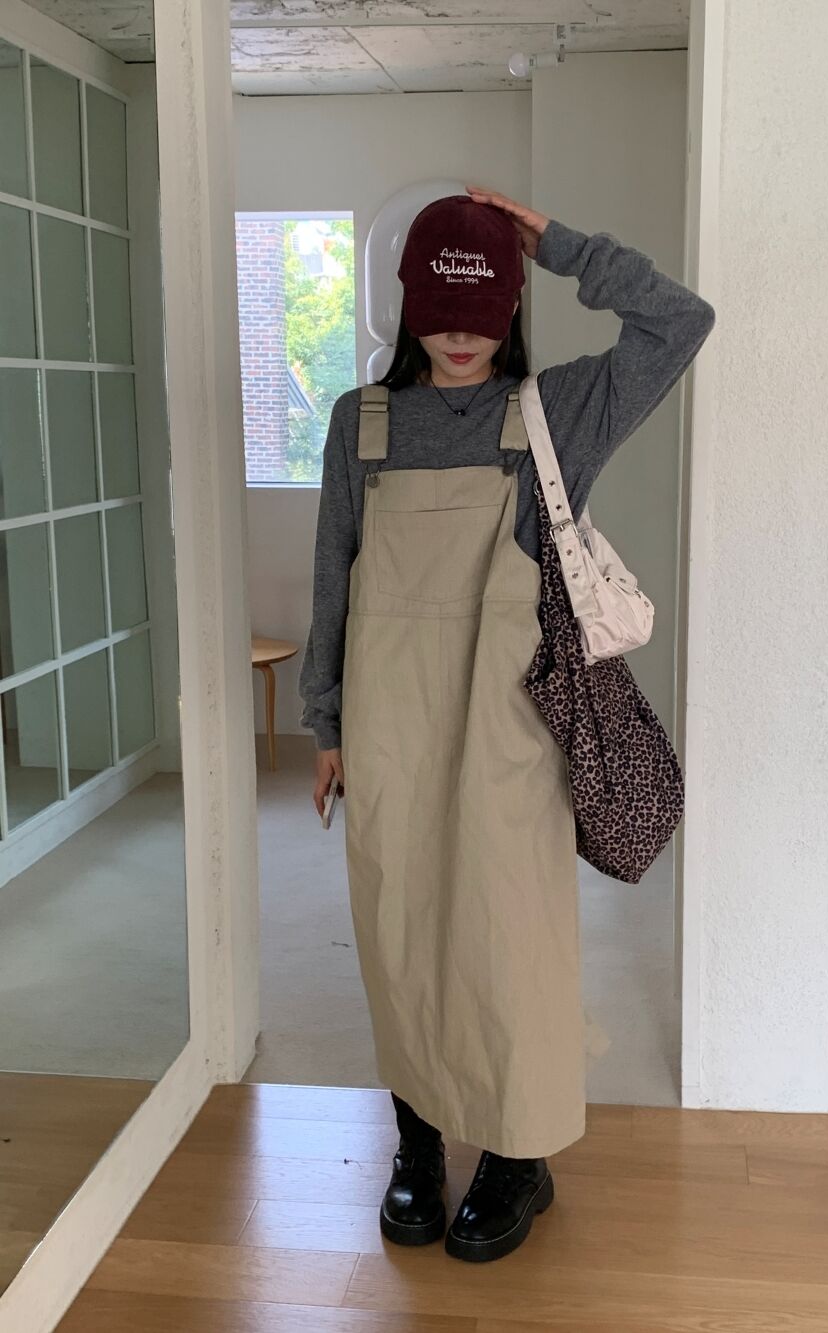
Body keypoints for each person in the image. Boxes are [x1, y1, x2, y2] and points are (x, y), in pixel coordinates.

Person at [297, 186, 715, 1263]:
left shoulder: (553, 413)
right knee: (400, 932)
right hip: (389, 721)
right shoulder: (360, 422)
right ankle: (417, 1146)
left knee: (508, 936)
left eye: (482, 311)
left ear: (514, 305)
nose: (460, 336)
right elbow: (334, 575)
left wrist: (556, 243)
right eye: (440, 310)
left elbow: (680, 322)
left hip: (510, 727)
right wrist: (325, 722)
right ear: (407, 305)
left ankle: (519, 1156)